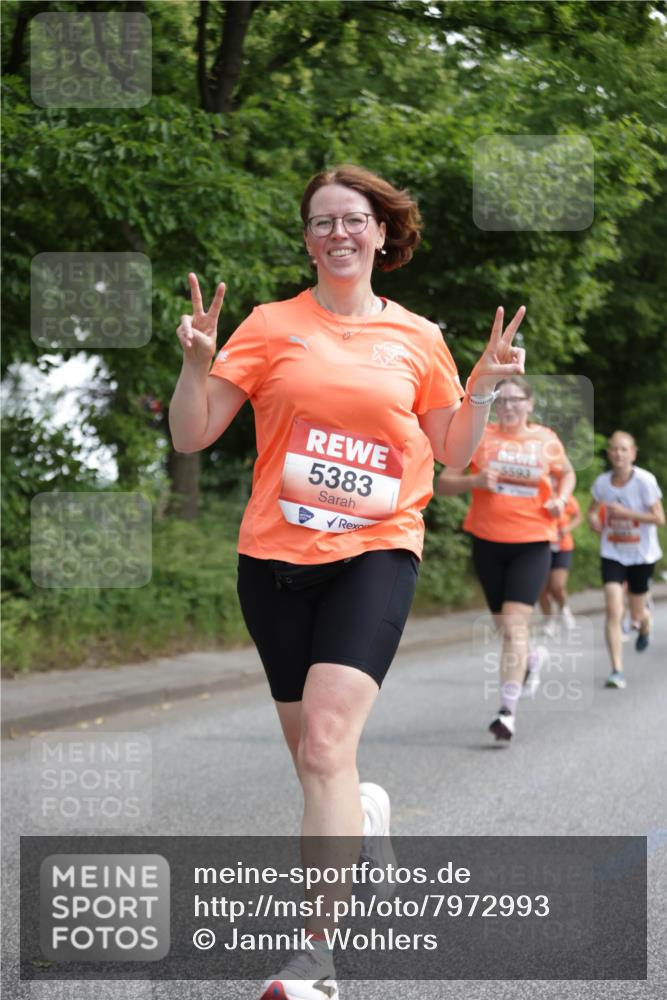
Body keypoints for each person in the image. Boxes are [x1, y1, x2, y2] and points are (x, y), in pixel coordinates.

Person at [169, 164, 526, 1000]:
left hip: (375, 551)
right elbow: (193, 436)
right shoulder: (267, 325)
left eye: (353, 219)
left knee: (326, 743)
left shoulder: (416, 337)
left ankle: (316, 957)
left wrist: (481, 386)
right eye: (322, 221)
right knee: (314, 762)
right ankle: (363, 816)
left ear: (379, 234)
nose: (338, 233)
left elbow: (452, 451)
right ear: (307, 238)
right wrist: (196, 365)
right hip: (272, 560)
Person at [439, 376, 576, 742]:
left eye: (517, 400)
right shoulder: (480, 436)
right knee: (506, 629)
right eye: (503, 400)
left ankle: (506, 712)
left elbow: (568, 475)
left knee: (515, 626)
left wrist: (560, 500)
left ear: (530, 404)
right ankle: (531, 659)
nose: (509, 406)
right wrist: (476, 482)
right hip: (487, 543)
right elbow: (443, 483)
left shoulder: (545, 440)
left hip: (533, 543)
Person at [587, 430, 664, 689]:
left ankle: (644, 624)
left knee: (636, 611)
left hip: (641, 554)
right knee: (612, 609)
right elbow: (591, 511)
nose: (618, 454)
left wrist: (627, 512)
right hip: (613, 552)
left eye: (623, 449)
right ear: (609, 454)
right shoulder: (602, 483)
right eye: (614, 449)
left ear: (632, 453)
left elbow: (659, 519)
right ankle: (616, 669)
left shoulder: (645, 481)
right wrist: (594, 520)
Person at [538, 486, 582, 634]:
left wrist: (567, 528)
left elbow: (577, 516)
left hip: (562, 547)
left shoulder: (565, 496)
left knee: (557, 586)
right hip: (540, 547)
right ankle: (549, 620)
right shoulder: (537, 495)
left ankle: (564, 609)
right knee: (541, 589)